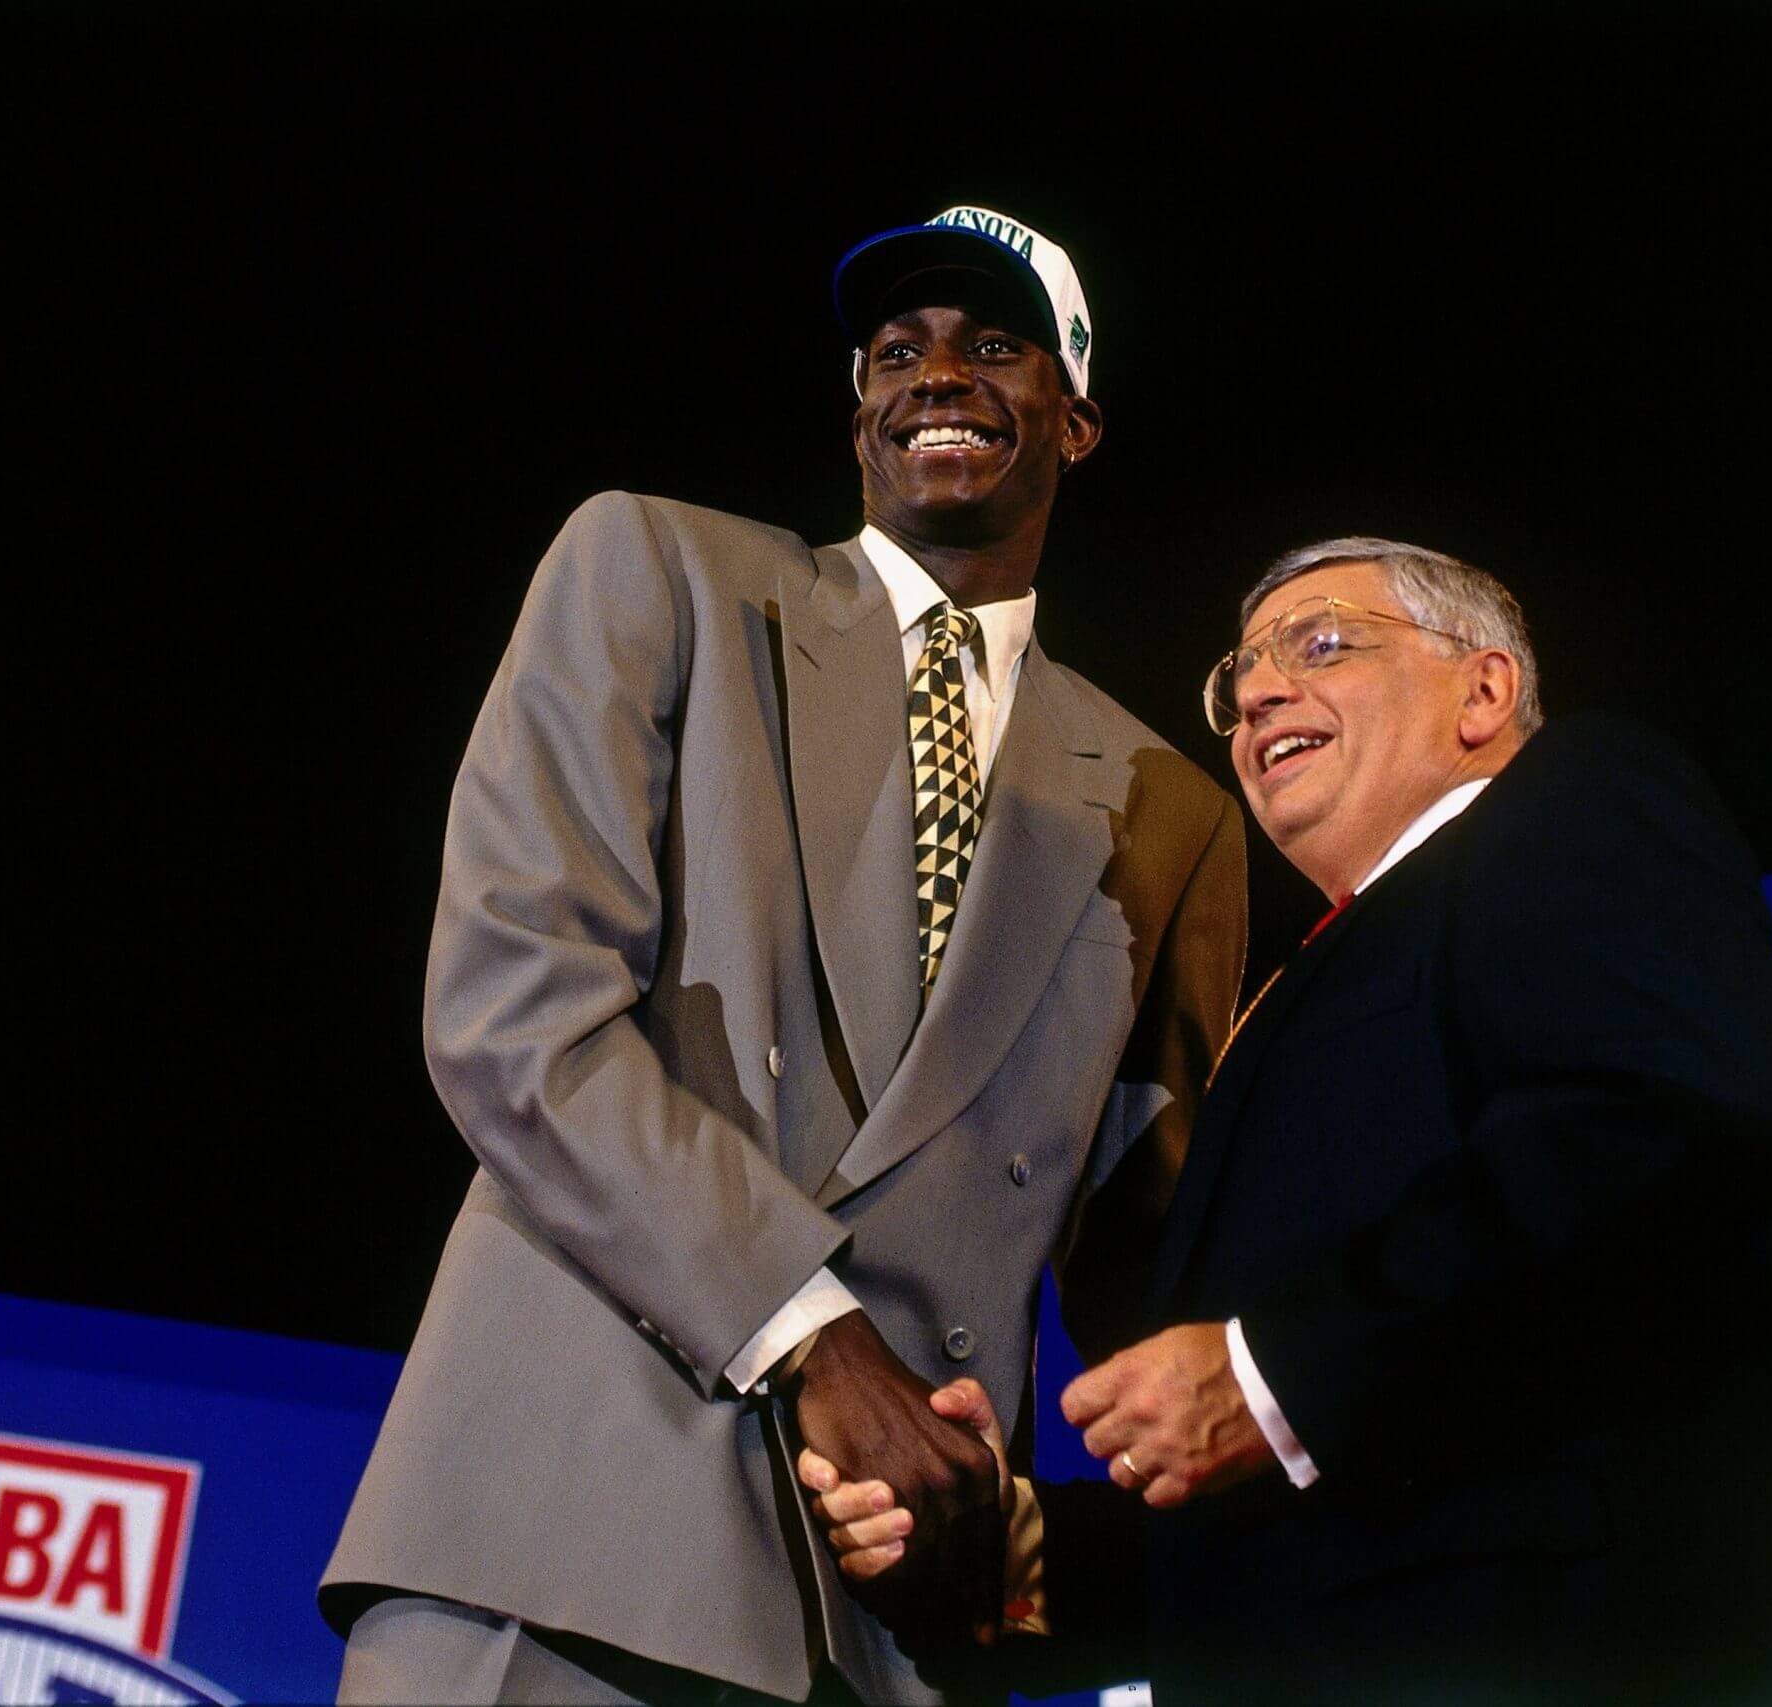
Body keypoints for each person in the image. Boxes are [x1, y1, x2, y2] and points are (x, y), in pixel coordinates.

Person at [317, 206, 1248, 1705]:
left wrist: (1021, 1524)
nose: (935, 374)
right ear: (859, 406)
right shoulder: (660, 571)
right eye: (896, 351)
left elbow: (1152, 1276)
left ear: (1076, 422)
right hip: (561, 1524)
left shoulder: (1168, 809)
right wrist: (819, 1339)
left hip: (888, 1600)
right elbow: (514, 1013)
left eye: (993, 344)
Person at [805, 539, 1772, 1703]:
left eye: (1321, 644)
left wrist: (1271, 1374)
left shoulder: (1577, 800)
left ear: (1484, 690)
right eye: (1238, 675)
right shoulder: (1304, 989)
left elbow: (1660, 1126)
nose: (1256, 694)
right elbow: (1308, 1509)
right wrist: (1017, 1553)